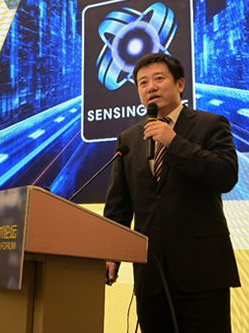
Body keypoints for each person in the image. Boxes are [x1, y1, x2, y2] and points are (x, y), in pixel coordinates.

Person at [103, 53, 240, 333]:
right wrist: (110, 253)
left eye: (158, 78)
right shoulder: (128, 139)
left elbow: (225, 176)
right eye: (143, 82)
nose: (150, 87)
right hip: (151, 275)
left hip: (202, 271)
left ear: (180, 84)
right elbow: (119, 205)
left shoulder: (211, 124)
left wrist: (173, 142)